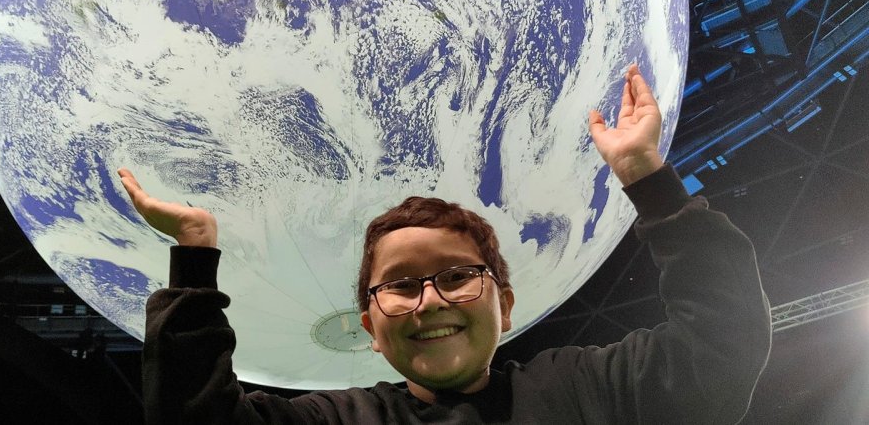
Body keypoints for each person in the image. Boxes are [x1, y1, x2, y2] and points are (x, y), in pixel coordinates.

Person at [121, 65, 771, 423]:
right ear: (372, 327)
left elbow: (722, 342)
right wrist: (194, 257)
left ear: (505, 304)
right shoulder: (342, 421)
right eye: (401, 285)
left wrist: (648, 179)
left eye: (457, 275)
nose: (430, 300)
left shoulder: (586, 391)